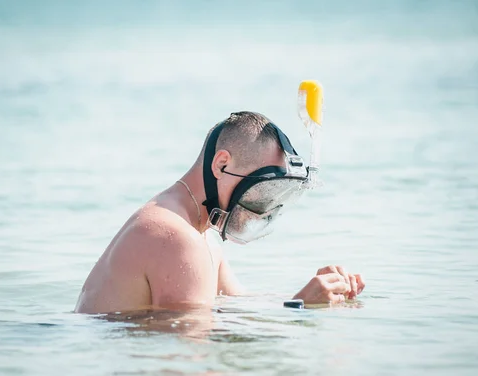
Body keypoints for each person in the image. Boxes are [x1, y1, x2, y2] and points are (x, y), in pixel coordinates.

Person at [75, 111, 364, 314]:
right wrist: (299, 309)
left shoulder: (199, 235)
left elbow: (237, 304)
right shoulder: (177, 239)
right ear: (221, 164)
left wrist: (318, 294)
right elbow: (194, 362)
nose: (262, 208)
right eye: (260, 191)